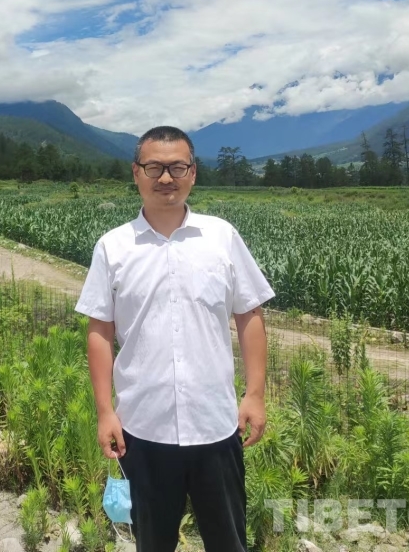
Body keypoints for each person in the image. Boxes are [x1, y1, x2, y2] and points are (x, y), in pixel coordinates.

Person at [75, 126, 274, 552]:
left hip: (215, 423)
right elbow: (100, 331)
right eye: (154, 168)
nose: (166, 178)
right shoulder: (113, 247)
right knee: (153, 542)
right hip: (142, 427)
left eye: (177, 167)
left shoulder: (222, 237)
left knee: (228, 541)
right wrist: (105, 411)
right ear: (136, 173)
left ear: (193, 173)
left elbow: (249, 314)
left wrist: (255, 394)